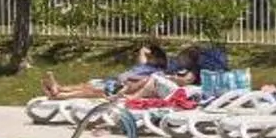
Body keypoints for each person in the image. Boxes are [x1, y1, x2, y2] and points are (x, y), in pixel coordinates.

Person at [34, 45, 182, 101]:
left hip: (120, 88)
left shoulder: (156, 72)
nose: (148, 58)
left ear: (158, 59)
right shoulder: (146, 64)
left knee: (90, 90)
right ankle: (59, 88)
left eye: (151, 57)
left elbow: (141, 84)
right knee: (86, 85)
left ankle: (59, 95)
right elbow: (143, 51)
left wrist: (127, 81)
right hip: (114, 82)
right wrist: (147, 49)